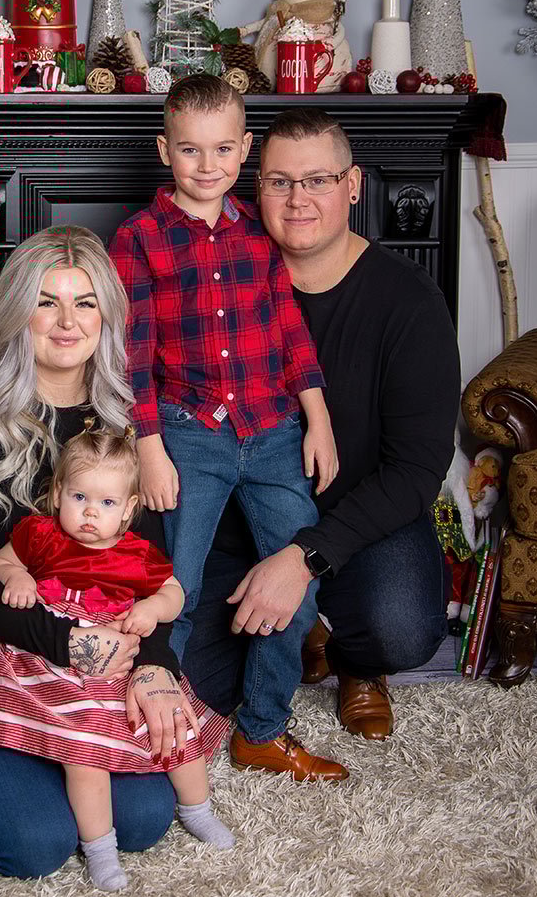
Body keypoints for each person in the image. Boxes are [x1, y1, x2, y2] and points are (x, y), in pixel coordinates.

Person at [0, 226, 200, 879]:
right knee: (37, 844)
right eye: (47, 301)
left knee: (143, 820)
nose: (67, 321)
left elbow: (152, 570)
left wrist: (152, 666)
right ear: (17, 311)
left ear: (107, 316)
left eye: (85, 302)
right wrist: (71, 646)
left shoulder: (126, 428)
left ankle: (41, 746)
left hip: (82, 656)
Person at [183, 108, 461, 741]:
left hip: (358, 522)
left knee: (402, 625)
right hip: (237, 522)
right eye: (280, 182)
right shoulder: (222, 279)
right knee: (193, 681)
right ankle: (301, 626)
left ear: (353, 185)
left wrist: (304, 558)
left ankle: (355, 661)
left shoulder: (408, 302)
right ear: (258, 189)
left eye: (318, 181)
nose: (298, 199)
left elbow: (416, 471)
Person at [110, 75, 348, 783]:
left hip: (272, 429)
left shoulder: (257, 233)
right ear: (165, 150)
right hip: (187, 432)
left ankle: (263, 728)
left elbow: (289, 327)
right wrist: (149, 445)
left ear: (244, 148)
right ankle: (160, 723)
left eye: (222, 148)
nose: (207, 164)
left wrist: (318, 416)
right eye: (190, 149)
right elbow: (131, 353)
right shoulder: (140, 238)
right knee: (174, 587)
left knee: (300, 576)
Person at [0, 423, 232, 892]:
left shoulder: (137, 555)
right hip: (56, 660)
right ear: (57, 496)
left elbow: (174, 593)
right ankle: (101, 851)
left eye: (107, 503)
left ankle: (199, 809)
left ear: (129, 511)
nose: (90, 513)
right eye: (79, 497)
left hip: (120, 657)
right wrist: (17, 578)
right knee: (83, 756)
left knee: (172, 727)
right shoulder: (40, 536)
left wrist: (151, 608)